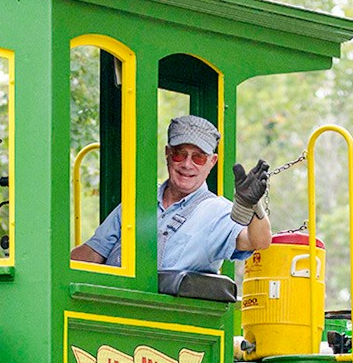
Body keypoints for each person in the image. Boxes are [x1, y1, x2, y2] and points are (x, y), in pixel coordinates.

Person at [70, 115, 272, 273]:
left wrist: (253, 204)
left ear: (213, 162)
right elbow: (92, 253)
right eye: (179, 153)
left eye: (199, 157)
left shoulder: (217, 211)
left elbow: (260, 241)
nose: (186, 164)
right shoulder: (138, 201)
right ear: (167, 153)